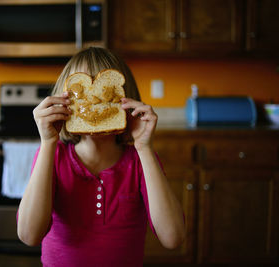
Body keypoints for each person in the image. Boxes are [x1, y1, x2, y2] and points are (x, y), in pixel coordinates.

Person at [17, 47, 185, 267]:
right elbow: (29, 235)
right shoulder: (53, 155)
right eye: (81, 94)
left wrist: (144, 147)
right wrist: (48, 142)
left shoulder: (140, 160)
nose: (94, 102)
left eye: (106, 92)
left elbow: (173, 237)